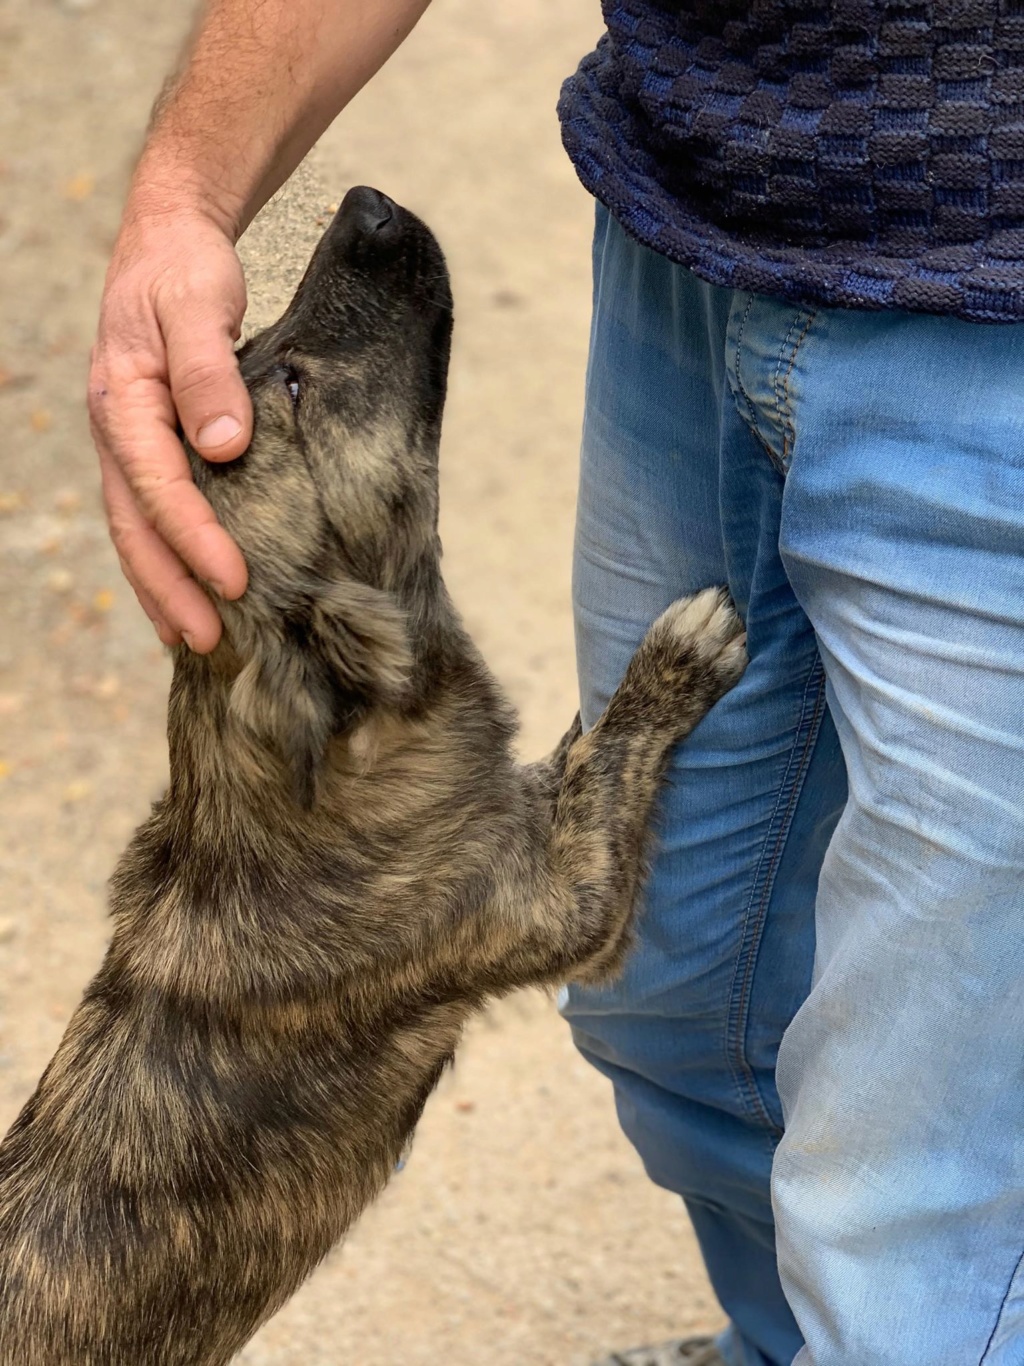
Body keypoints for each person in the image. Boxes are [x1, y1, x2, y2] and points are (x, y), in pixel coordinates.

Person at [89, 3, 1024, 1364]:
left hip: (995, 327)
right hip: (690, 229)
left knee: (916, 1208)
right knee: (683, 1006)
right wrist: (183, 192)